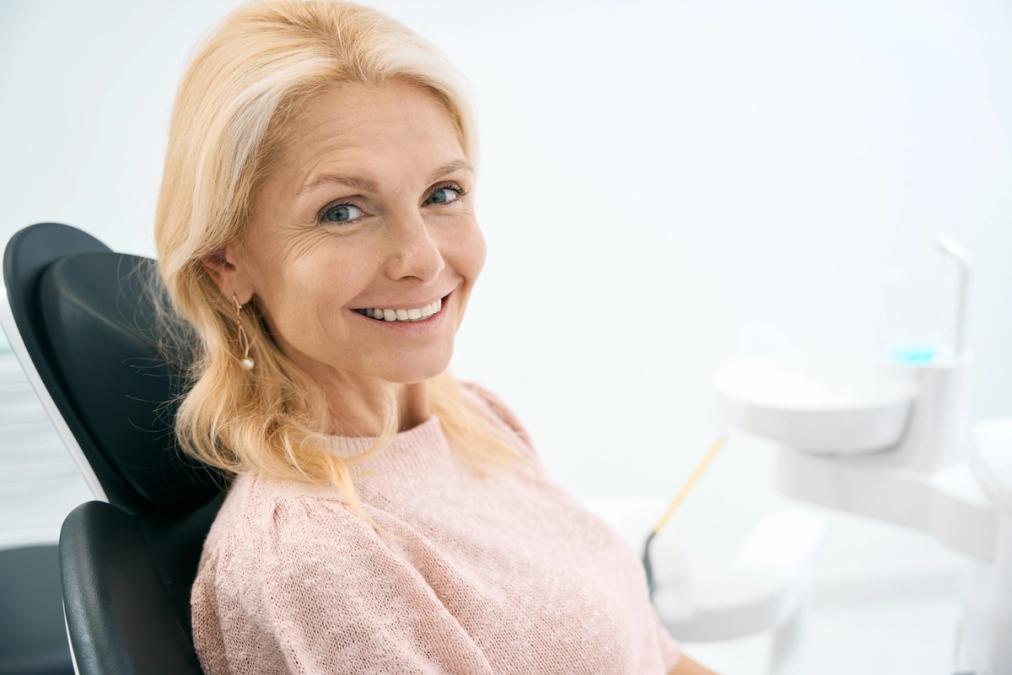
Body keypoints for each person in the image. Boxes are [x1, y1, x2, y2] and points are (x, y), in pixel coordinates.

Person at [152, 0, 717, 673]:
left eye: (442, 194)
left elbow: (657, 656)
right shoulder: (316, 556)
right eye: (343, 211)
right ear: (226, 261)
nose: (421, 258)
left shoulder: (473, 420)